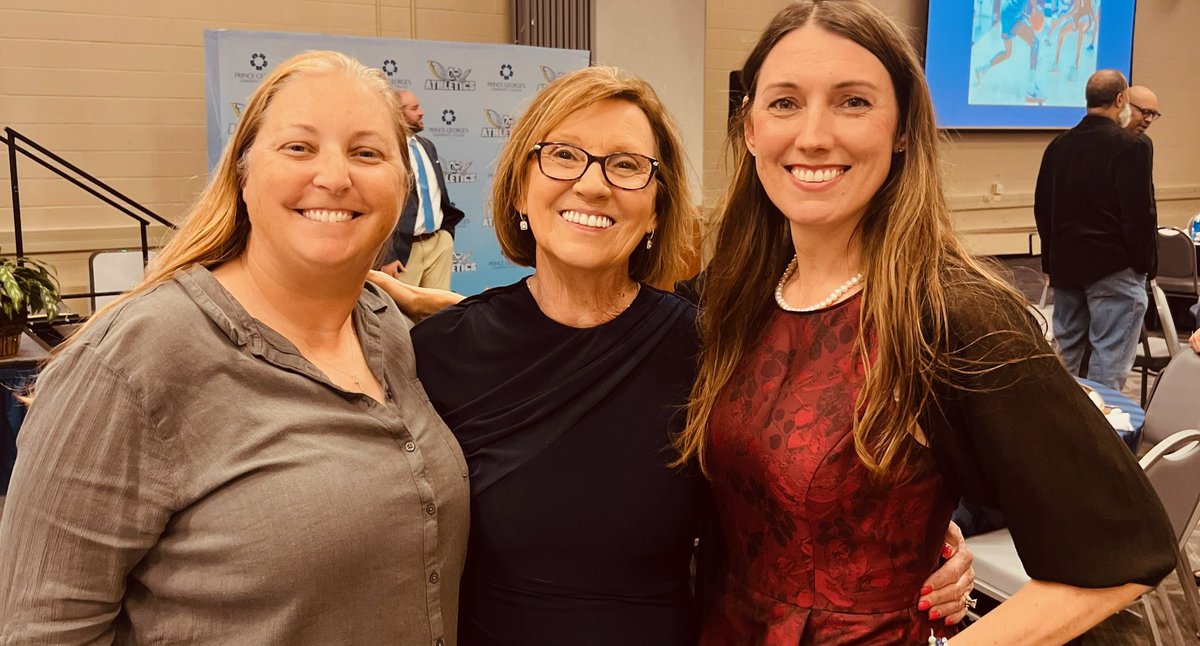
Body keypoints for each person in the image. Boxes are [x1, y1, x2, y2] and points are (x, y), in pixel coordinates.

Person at [375, 66, 974, 645]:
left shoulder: (714, 351)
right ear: (520, 189)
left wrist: (929, 546)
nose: (592, 183)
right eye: (563, 155)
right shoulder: (440, 354)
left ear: (658, 210)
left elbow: (808, 488)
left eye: (626, 165)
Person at [674, 2, 1177, 643]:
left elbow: (1121, 553)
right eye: (784, 103)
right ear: (749, 129)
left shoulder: (950, 310)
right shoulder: (734, 294)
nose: (814, 134)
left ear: (905, 128)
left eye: (853, 102)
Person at [0, 52, 469, 644]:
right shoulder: (135, 361)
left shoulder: (388, 330)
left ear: (404, 188)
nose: (334, 176)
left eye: (367, 152)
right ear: (243, 175)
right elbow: (43, 629)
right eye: (299, 147)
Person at [1035, 70, 1156, 391]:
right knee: (1108, 363)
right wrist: (1144, 266)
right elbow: (1139, 214)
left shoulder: (1058, 146)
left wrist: (1051, 265)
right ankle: (1101, 434)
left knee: (1065, 357)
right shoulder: (1131, 147)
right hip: (1115, 270)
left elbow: (1043, 210)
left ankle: (1062, 433)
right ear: (1120, 100)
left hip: (1067, 270)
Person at [378, 89, 465, 290]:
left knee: (436, 314)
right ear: (397, 114)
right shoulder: (386, 151)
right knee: (401, 317)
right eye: (415, 108)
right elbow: (381, 206)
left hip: (438, 242)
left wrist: (446, 235)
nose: (422, 112)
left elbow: (438, 193)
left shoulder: (427, 146)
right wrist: (387, 256)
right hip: (404, 251)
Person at [975, 0, 1046, 103]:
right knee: (1035, 43)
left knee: (1007, 53)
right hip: (1012, 14)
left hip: (1007, 11)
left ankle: (981, 69)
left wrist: (1027, 17)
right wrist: (1039, 14)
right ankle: (1031, 90)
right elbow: (1035, 7)